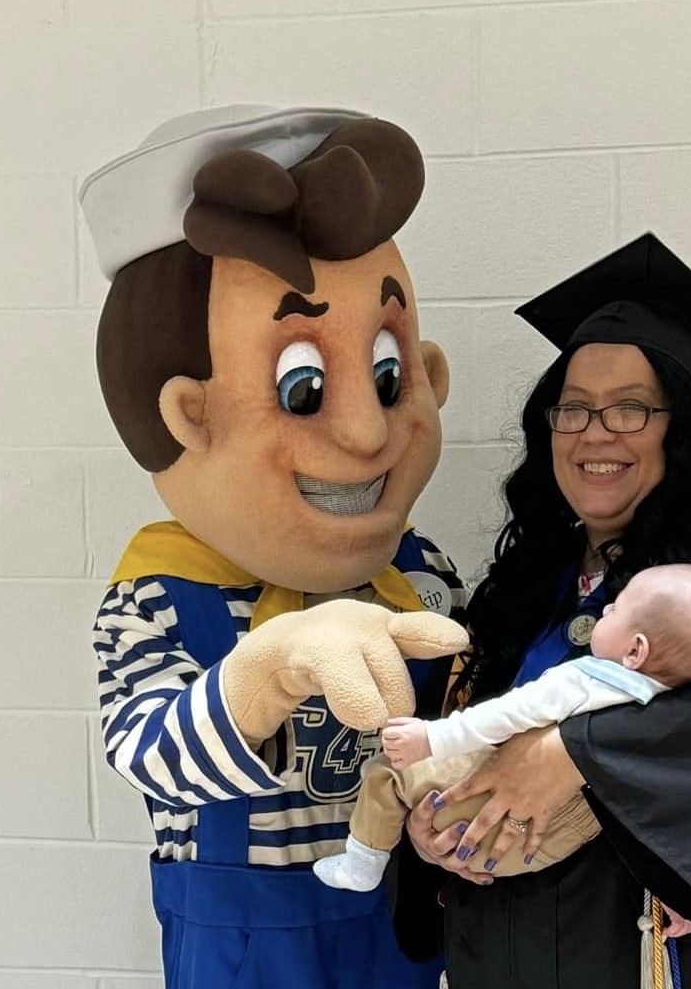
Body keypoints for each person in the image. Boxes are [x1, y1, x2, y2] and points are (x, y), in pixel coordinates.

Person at [80, 106, 468, 989]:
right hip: (245, 944)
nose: (368, 431)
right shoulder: (156, 594)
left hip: (408, 924)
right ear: (190, 414)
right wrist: (272, 666)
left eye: (386, 373)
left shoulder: (418, 572)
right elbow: (149, 754)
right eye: (303, 388)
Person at [395, 232, 691, 989]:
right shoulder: (524, 583)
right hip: (507, 946)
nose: (595, 433)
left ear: (682, 428)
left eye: (630, 409)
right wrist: (431, 827)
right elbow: (461, 735)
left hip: (659, 954)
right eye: (572, 409)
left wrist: (571, 752)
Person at [314, 564, 691, 891]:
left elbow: (507, 714)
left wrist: (431, 738)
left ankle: (362, 864)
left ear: (635, 650)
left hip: (494, 812)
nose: (609, 607)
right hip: (557, 844)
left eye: (619, 607)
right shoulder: (669, 716)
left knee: (386, 776)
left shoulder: (585, 678)